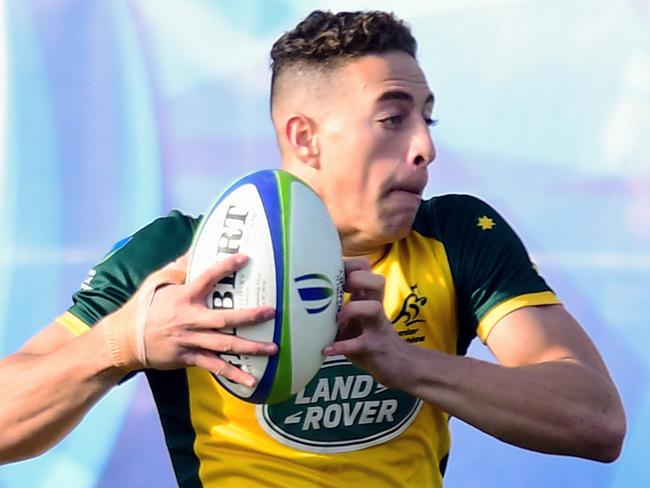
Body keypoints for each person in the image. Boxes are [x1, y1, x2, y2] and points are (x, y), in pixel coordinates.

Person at [0, 9, 625, 487]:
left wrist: (407, 364)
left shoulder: (456, 235)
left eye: (426, 119)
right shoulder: (179, 255)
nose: (424, 148)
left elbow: (596, 420)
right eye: (392, 118)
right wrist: (124, 342)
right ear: (305, 138)